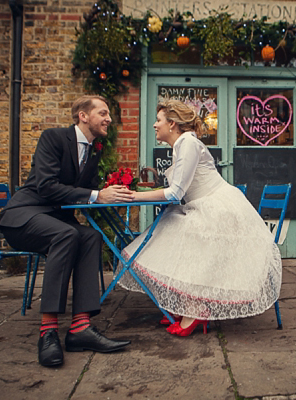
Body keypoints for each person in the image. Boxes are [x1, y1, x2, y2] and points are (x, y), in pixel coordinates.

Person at [119, 99, 282, 336]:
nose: (155, 125)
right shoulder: (181, 145)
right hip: (203, 205)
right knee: (169, 229)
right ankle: (189, 306)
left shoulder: (187, 143)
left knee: (175, 233)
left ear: (172, 123)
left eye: (159, 120)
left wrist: (133, 196)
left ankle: (195, 309)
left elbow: (176, 193)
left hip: (218, 209)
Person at [0, 95, 133, 367]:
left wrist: (115, 195)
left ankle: (81, 328)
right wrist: (96, 194)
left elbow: (87, 194)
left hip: (57, 219)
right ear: (83, 116)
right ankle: (47, 333)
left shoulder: (95, 150)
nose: (109, 119)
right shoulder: (53, 138)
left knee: (91, 236)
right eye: (103, 113)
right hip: (25, 215)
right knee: (68, 234)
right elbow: (46, 186)